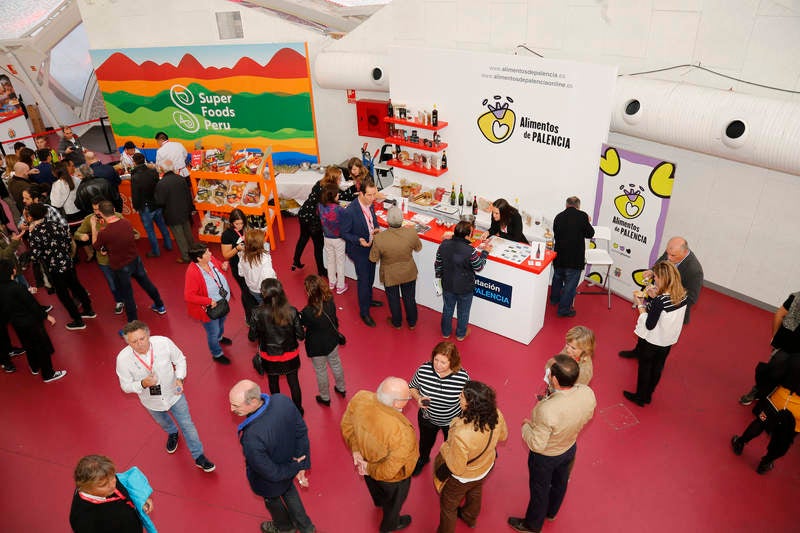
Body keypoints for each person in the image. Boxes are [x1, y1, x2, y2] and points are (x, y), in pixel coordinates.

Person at [508, 355, 596, 533]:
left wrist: (526, 427)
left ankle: (532, 526)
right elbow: (587, 417)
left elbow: (537, 444)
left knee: (539, 491)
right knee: (560, 482)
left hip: (546, 457)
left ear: (554, 379)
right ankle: (551, 512)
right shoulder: (587, 393)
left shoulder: (547, 410)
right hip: (569, 447)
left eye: (549, 372)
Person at [116, 320, 215, 472]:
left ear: (148, 335)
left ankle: (199, 456)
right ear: (128, 342)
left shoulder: (164, 343)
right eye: (134, 342)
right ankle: (172, 432)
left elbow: (180, 359)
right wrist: (142, 383)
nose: (140, 344)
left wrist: (180, 378)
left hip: (174, 394)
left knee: (187, 425)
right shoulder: (123, 359)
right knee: (164, 423)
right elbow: (125, 386)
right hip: (151, 402)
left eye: (142, 338)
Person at [229, 380, 315, 533]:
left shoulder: (251, 437)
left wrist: (297, 467)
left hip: (268, 481)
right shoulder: (282, 400)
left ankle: (284, 527)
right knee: (290, 491)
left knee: (273, 500)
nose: (231, 409)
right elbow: (301, 431)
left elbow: (271, 473)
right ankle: (307, 528)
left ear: (254, 401)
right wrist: (301, 463)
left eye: (236, 405)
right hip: (289, 463)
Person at [340, 377, 419, 533]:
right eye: (407, 397)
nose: (410, 399)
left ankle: (378, 501)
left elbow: (347, 424)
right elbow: (391, 469)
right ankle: (390, 525)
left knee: (375, 487)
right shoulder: (401, 433)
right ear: (396, 403)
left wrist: (356, 450)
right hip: (392, 477)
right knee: (393, 502)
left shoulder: (360, 397)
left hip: (365, 457)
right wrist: (370, 469)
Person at [436, 381, 508, 533]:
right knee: (475, 490)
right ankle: (469, 517)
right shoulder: (496, 413)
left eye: (462, 396)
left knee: (448, 506)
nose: (458, 398)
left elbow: (457, 468)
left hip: (463, 477)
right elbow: (503, 436)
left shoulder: (462, 434)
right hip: (486, 466)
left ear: (471, 404)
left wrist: (444, 447)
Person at [622, 261, 688, 407]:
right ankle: (648, 395)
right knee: (658, 367)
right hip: (668, 340)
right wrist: (653, 296)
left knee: (645, 368)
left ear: (663, 278)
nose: (654, 279)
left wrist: (640, 303)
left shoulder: (660, 300)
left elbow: (649, 324)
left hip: (653, 340)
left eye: (656, 276)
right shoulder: (682, 294)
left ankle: (639, 397)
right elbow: (664, 311)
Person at [92, 200, 167, 325]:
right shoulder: (126, 223)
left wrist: (94, 227)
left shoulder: (104, 233)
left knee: (128, 295)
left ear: (101, 213)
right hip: (134, 260)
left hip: (120, 266)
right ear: (114, 210)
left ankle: (133, 325)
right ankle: (160, 305)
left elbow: (96, 246)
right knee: (147, 283)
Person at [26, 203, 95, 331]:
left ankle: (77, 320)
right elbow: (68, 241)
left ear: (31, 217)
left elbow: (35, 254)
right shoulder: (56, 224)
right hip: (67, 262)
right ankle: (88, 310)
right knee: (76, 286)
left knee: (63, 294)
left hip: (54, 268)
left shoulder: (35, 232)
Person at [731, 349, 800, 474]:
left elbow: (775, 374)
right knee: (784, 438)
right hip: (798, 415)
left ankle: (740, 442)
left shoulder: (795, 358)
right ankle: (765, 463)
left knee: (761, 421)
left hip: (779, 402)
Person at [408, 341, 470, 477]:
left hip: (452, 421)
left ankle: (447, 464)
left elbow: (467, 400)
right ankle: (423, 459)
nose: (438, 365)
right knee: (425, 442)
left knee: (451, 446)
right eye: (436, 360)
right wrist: (418, 398)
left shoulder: (462, 377)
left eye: (443, 362)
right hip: (427, 417)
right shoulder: (424, 370)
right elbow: (412, 387)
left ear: (452, 362)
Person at [0, 258, 66, 382]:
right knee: (41, 346)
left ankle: (34, 367)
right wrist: (47, 316)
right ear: (12, 271)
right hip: (30, 322)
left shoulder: (3, 288)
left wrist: (27, 292)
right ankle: (48, 374)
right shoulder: (17, 287)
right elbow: (32, 304)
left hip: (16, 323)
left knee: (28, 345)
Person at [252, 278, 306, 413]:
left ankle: (276, 410)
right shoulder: (292, 311)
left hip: (269, 356)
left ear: (264, 294)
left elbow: (252, 337)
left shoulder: (257, 313)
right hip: (290, 355)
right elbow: (301, 336)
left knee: (273, 383)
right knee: (294, 383)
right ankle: (298, 410)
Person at [292, 165, 356, 274]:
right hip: (313, 219)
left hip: (303, 213)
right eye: (339, 178)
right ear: (333, 178)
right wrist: (356, 194)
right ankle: (321, 270)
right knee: (318, 245)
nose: (340, 180)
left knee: (303, 237)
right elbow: (344, 196)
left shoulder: (320, 183)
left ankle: (296, 260)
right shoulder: (330, 189)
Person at [434, 220, 492, 340]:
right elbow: (479, 267)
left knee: (447, 309)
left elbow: (438, 263)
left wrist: (439, 277)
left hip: (448, 284)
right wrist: (485, 252)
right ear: (467, 235)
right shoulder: (470, 251)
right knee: (463, 312)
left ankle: (446, 332)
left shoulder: (444, 244)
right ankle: (460, 334)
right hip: (465, 287)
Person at [740, 291, 800, 405]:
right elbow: (779, 314)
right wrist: (775, 337)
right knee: (774, 368)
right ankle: (758, 391)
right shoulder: (796, 297)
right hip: (786, 345)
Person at [69, 455, 152, 533]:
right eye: (104, 485)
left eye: (113, 476)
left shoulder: (106, 478)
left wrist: (141, 499)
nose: (113, 484)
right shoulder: (82, 520)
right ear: (86, 488)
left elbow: (124, 487)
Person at [370, 206, 422, 330]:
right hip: (408, 271)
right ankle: (412, 322)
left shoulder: (380, 238)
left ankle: (397, 323)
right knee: (409, 298)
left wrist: (375, 240)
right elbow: (418, 247)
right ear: (402, 219)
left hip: (390, 274)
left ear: (387, 221)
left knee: (393, 299)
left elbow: (373, 258)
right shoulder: (411, 232)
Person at [341, 177, 382, 327]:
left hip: (372, 247)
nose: (372, 198)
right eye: (369, 195)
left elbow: (373, 219)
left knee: (371, 276)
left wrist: (376, 227)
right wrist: (359, 240)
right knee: (364, 281)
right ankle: (364, 312)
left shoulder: (370, 205)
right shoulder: (350, 211)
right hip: (359, 250)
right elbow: (344, 233)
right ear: (361, 193)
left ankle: (369, 300)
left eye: (374, 194)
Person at [300, 274, 346, 407]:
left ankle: (325, 397)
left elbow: (303, 325)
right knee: (336, 364)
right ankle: (341, 388)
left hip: (316, 346)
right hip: (332, 340)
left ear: (309, 291)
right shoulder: (330, 300)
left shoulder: (307, 311)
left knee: (321, 371)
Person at [74, 198, 126, 314]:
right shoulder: (90, 219)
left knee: (123, 280)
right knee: (112, 282)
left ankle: (129, 300)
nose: (96, 212)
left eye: (98, 209)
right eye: (94, 209)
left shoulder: (116, 216)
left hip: (118, 257)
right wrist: (81, 236)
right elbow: (77, 233)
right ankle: (119, 301)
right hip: (103, 260)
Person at [184, 243, 232, 365]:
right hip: (209, 308)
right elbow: (189, 296)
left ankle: (220, 338)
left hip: (222, 302)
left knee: (222, 322)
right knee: (213, 332)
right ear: (199, 258)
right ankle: (217, 353)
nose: (210, 253)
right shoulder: (192, 272)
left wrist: (223, 265)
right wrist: (208, 301)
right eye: (206, 252)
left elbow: (218, 266)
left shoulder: (210, 260)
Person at [550, 196, 594, 318]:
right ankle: (563, 310)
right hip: (575, 258)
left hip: (559, 255)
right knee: (570, 286)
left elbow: (556, 233)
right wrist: (587, 222)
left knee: (557, 279)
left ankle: (554, 300)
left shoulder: (558, 216)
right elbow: (590, 234)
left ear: (566, 205)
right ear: (578, 206)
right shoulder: (583, 216)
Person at [219, 209, 259, 338]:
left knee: (252, 289)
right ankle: (250, 317)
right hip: (238, 268)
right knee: (246, 291)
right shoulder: (227, 235)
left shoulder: (248, 228)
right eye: (236, 224)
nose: (239, 226)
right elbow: (226, 255)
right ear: (231, 223)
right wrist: (237, 248)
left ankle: (255, 314)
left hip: (251, 265)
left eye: (241, 223)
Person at [130, 152, 173, 258]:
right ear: (144, 160)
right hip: (157, 204)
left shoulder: (135, 177)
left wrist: (135, 207)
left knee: (150, 231)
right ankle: (169, 245)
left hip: (145, 207)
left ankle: (156, 251)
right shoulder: (153, 172)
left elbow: (135, 194)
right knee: (162, 226)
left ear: (134, 162)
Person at [154, 159, 194, 263]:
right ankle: (194, 251)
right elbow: (188, 195)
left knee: (179, 236)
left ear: (162, 169)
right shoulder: (181, 179)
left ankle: (186, 257)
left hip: (172, 214)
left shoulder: (161, 183)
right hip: (184, 211)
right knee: (188, 233)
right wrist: (189, 209)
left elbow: (160, 201)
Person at [318, 180, 348, 294]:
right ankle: (340, 286)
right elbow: (346, 219)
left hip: (326, 237)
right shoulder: (339, 209)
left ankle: (332, 282)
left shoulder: (320, 206)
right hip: (339, 239)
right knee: (340, 262)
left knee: (330, 260)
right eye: (337, 193)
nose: (339, 195)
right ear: (333, 196)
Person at [238, 228, 276, 304]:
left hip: (252, 289)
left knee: (261, 303)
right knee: (270, 305)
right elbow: (268, 277)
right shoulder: (265, 258)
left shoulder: (243, 257)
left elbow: (241, 273)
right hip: (265, 289)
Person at [49, 161, 83, 225]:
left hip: (69, 215)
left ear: (54, 173)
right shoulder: (77, 179)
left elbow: (57, 204)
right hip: (81, 210)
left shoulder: (57, 185)